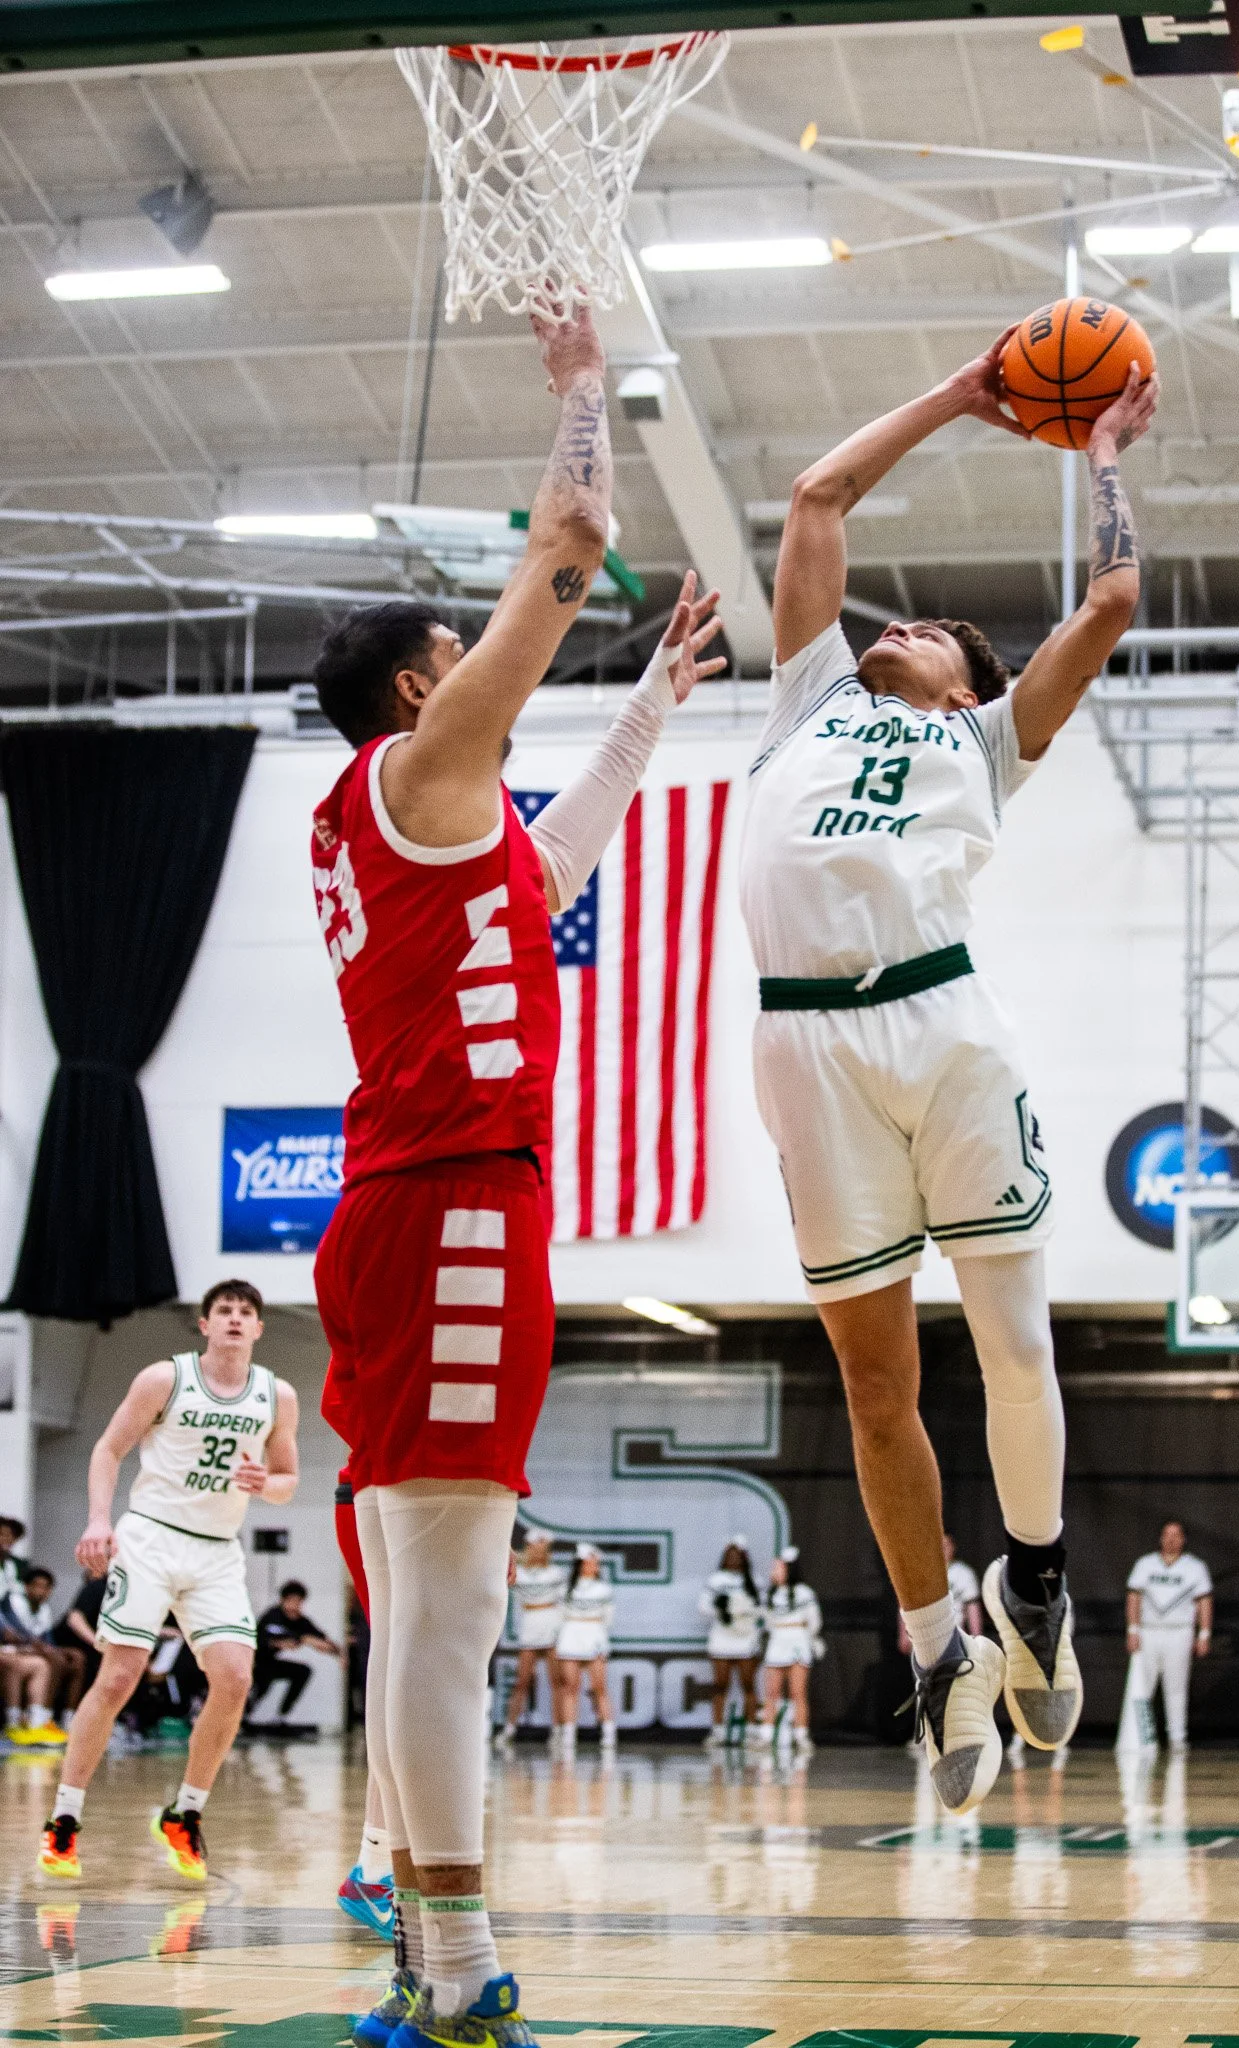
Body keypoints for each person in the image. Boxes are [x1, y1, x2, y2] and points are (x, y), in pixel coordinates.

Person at [308, 300, 726, 2048]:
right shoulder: (416, 764)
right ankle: (459, 1968)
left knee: (428, 1591)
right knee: (455, 1602)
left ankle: (426, 1949)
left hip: (417, 1204)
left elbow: (559, 863)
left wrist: (647, 704)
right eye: (455, 652)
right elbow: (570, 541)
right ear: (424, 685)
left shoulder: (411, 825)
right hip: (456, 1200)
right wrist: (580, 385)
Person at [738, 325, 1158, 1815]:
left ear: (966, 679)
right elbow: (814, 503)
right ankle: (938, 1646)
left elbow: (1107, 601)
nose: (892, 626)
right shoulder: (802, 704)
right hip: (803, 1040)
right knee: (870, 1382)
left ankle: (1032, 1583)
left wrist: (1096, 455)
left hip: (943, 1026)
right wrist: (966, 397)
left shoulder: (985, 740)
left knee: (1011, 1342)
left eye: (924, 633)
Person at [36, 1279, 300, 1884]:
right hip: (152, 1538)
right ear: (205, 1325)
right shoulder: (165, 1378)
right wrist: (100, 1521)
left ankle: (184, 1813)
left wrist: (269, 1484)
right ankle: (64, 1820)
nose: (235, 1319)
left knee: (233, 1679)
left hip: (216, 1551)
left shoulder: (276, 1395)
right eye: (224, 1311)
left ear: (259, 1328)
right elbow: (108, 1450)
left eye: (246, 1312)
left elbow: (288, 1481)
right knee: (120, 1677)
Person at [334, 1465, 396, 1940]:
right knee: (403, 1677)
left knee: (403, 1673)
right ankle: (374, 1873)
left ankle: (376, 1868)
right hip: (391, 1492)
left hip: (390, 1491)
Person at [1125, 1519, 1213, 1752]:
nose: (1171, 1539)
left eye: (1176, 1535)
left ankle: (1177, 1738)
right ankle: (1143, 1738)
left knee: (1176, 1687)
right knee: (1144, 1686)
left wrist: (1204, 1634)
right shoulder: (1145, 1564)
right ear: (1160, 1538)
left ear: (1183, 1539)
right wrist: (1132, 1630)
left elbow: (1204, 1601)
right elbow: (1134, 1597)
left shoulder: (1195, 1567)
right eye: (1167, 1534)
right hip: (1149, 1631)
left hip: (1180, 1632)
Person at [495, 1530, 566, 1750]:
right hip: (530, 1628)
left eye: (541, 1546)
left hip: (551, 1626)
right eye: (533, 1546)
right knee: (522, 1681)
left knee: (556, 1682)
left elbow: (563, 1602)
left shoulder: (556, 1573)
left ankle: (558, 1730)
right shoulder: (520, 1574)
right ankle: (509, 1728)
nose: (537, 1550)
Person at [250, 1580, 342, 1727]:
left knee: (302, 1671)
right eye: (291, 1601)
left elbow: (321, 1639)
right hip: (254, 1662)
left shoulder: (301, 1621)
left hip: (270, 1663)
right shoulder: (273, 1615)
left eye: (298, 1601)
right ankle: (243, 1717)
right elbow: (265, 1637)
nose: (294, 1605)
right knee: (262, 1683)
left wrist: (338, 1653)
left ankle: (281, 1717)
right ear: (283, 1600)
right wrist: (301, 1639)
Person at [1, 1568, 86, 1724]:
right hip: (13, 1648)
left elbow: (48, 1641)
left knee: (77, 1657)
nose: (41, 1591)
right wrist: (40, 1646)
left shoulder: (44, 1609)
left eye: (46, 1587)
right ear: (26, 1587)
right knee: (54, 1659)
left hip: (32, 1649)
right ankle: (42, 1717)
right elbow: (13, 1635)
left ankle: (69, 1719)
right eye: (37, 1586)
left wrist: (47, 1648)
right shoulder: (14, 1603)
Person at [552, 1545, 615, 1756]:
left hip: (594, 1635)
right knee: (570, 1686)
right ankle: (569, 1733)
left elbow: (608, 1618)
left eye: (595, 1563)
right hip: (571, 1636)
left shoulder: (603, 1590)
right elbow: (559, 1616)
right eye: (589, 1562)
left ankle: (608, 1732)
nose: (593, 1566)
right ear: (580, 1564)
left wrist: (596, 1636)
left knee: (599, 1686)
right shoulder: (566, 1589)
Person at [700, 1537, 763, 1748]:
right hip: (722, 1637)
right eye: (730, 1556)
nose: (734, 1559)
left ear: (745, 1558)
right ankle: (718, 1731)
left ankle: (751, 1732)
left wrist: (744, 1613)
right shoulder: (716, 1580)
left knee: (748, 1685)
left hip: (745, 1638)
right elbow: (704, 1607)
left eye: (738, 1556)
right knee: (720, 1685)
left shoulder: (755, 1580)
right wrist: (723, 1608)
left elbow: (761, 1610)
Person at [759, 1548, 822, 1752]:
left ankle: (801, 1735)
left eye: (777, 1568)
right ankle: (766, 1736)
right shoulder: (772, 1594)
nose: (773, 1572)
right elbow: (767, 1623)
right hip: (777, 1643)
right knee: (772, 1692)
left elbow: (814, 1622)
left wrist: (805, 1637)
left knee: (798, 1692)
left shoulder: (805, 1593)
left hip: (798, 1642)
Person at [51, 1567, 108, 1698]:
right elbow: (75, 1619)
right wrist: (99, 1645)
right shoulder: (98, 1586)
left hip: (91, 1646)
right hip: (67, 1641)